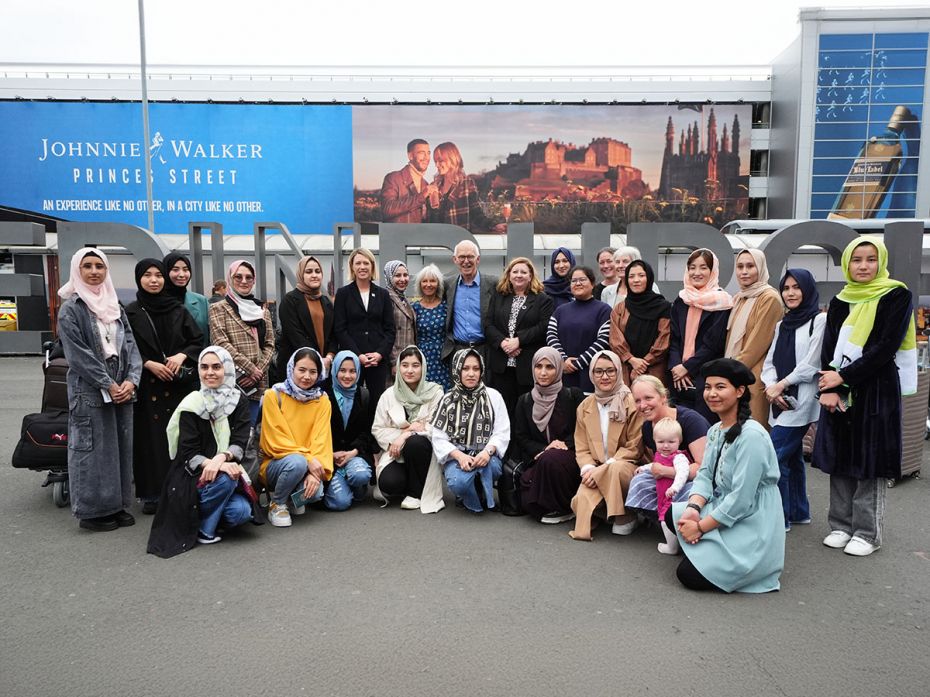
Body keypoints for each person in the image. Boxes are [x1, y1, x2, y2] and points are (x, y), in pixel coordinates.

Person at [813, 237, 916, 557]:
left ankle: (868, 532)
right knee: (840, 458)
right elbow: (828, 347)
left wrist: (843, 377)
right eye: (856, 259)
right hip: (839, 387)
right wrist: (831, 388)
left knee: (869, 461)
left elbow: (885, 347)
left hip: (876, 389)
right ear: (846, 263)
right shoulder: (841, 299)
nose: (863, 266)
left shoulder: (896, 295)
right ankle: (841, 525)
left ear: (881, 262)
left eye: (871, 259)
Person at [668, 358, 785, 593]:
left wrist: (699, 528)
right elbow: (704, 475)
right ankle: (705, 546)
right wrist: (693, 508)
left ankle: (719, 552)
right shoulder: (715, 430)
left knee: (687, 575)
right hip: (727, 504)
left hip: (753, 517)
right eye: (708, 387)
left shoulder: (752, 436)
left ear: (740, 391)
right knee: (674, 517)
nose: (712, 393)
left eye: (720, 387)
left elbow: (741, 500)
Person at [57, 248, 142, 533]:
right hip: (90, 390)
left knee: (119, 447)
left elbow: (130, 344)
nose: (94, 272)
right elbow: (78, 354)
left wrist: (132, 379)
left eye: (100, 266)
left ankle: (116, 505)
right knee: (92, 450)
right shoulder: (71, 308)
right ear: (77, 271)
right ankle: (92, 511)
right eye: (88, 266)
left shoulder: (114, 305)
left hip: (121, 385)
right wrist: (108, 383)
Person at [147, 346, 258, 556]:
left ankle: (202, 516)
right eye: (204, 367)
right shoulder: (192, 403)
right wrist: (216, 464)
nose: (210, 372)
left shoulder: (238, 400)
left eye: (217, 367)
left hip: (224, 469)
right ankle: (206, 530)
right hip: (191, 475)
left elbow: (240, 441)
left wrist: (222, 458)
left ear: (227, 369)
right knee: (227, 479)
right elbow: (188, 453)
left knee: (241, 512)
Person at [125, 258, 203, 514]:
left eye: (158, 275)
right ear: (139, 279)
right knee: (150, 440)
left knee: (180, 437)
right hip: (148, 386)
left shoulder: (177, 310)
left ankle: (180, 488)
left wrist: (182, 356)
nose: (154, 280)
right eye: (147, 275)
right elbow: (125, 346)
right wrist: (147, 363)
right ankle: (152, 494)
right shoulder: (132, 311)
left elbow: (197, 340)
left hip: (178, 384)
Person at [761, 269, 826, 531]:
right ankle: (798, 512)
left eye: (796, 287)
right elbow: (769, 361)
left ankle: (780, 517)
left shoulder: (819, 320)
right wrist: (770, 387)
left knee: (774, 457)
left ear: (807, 289)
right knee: (792, 457)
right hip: (779, 398)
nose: (790, 293)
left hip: (803, 400)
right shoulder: (782, 324)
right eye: (786, 288)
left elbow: (811, 364)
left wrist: (781, 385)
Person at [569, 350, 644, 540]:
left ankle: (626, 515)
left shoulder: (631, 402)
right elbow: (582, 446)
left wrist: (603, 470)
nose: (604, 377)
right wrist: (588, 469)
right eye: (598, 371)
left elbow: (634, 446)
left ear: (619, 371)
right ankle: (606, 511)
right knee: (580, 504)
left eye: (610, 371)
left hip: (626, 466)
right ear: (591, 375)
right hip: (596, 467)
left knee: (616, 470)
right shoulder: (585, 405)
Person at [625, 374, 709, 543]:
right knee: (640, 480)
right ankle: (664, 521)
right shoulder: (648, 427)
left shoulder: (691, 421)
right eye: (637, 400)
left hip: (698, 479)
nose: (643, 405)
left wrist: (667, 472)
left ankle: (685, 527)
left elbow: (704, 467)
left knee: (688, 491)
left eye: (648, 398)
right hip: (670, 478)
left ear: (663, 397)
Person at [258, 348, 334, 528]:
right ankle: (277, 504)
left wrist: (315, 474)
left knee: (316, 492)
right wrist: (308, 460)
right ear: (291, 368)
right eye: (302, 370)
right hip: (276, 464)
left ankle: (291, 500)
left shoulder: (322, 400)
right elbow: (275, 440)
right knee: (297, 463)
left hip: (306, 464)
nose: (307, 376)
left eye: (313, 371)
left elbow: (321, 439)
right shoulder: (273, 395)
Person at [431, 349, 511, 513]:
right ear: (457, 370)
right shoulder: (447, 399)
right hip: (458, 457)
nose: (471, 374)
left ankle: (478, 486)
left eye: (476, 369)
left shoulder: (493, 396)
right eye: (465, 368)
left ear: (482, 370)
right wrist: (460, 456)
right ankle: (467, 493)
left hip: (485, 455)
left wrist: (487, 452)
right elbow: (438, 438)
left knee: (494, 468)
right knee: (457, 482)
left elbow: (502, 431)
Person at [512, 347, 586, 523]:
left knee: (551, 459)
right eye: (538, 366)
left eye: (550, 367)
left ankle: (564, 507)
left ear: (559, 369)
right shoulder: (525, 400)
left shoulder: (573, 396)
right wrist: (544, 449)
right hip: (539, 456)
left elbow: (582, 431)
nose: (543, 373)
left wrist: (562, 444)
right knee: (528, 494)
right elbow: (521, 437)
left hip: (569, 455)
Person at [372, 346, 446, 512]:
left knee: (415, 442)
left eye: (415, 365)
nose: (409, 370)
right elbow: (378, 428)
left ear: (423, 367)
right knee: (389, 484)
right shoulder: (389, 395)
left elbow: (437, 427)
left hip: (423, 452)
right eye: (405, 365)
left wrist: (406, 435)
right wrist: (402, 434)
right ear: (398, 367)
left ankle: (416, 493)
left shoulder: (435, 393)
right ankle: (408, 483)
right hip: (396, 453)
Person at [668, 248, 733, 423]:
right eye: (692, 267)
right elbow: (673, 338)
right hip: (677, 378)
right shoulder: (681, 300)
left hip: (706, 377)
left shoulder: (722, 302)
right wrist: (676, 367)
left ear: (712, 271)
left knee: (702, 426)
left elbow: (714, 344)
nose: (697, 273)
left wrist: (687, 367)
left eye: (703, 268)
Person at [208, 260, 275, 424]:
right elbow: (221, 343)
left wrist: (257, 372)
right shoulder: (218, 308)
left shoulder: (262, 311)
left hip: (258, 383)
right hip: (232, 381)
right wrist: (250, 369)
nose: (244, 281)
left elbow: (269, 344)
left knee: (254, 434)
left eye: (249, 277)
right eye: (238, 277)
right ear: (230, 279)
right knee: (230, 432)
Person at [484, 256, 554, 414]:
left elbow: (544, 326)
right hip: (501, 364)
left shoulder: (542, 300)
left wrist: (519, 341)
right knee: (502, 409)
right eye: (515, 271)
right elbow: (488, 325)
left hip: (526, 364)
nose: (519, 275)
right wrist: (504, 344)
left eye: (524, 272)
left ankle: (522, 439)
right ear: (509, 275)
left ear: (530, 276)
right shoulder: (499, 296)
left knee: (525, 409)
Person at [724, 249, 784, 428]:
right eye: (740, 266)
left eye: (750, 266)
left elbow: (757, 344)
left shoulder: (769, 298)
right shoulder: (740, 298)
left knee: (754, 431)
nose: (744, 271)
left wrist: (730, 371)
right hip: (736, 376)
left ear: (761, 268)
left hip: (754, 376)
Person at [333, 247, 395, 407]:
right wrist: (357, 355)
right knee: (352, 401)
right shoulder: (343, 294)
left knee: (377, 402)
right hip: (352, 361)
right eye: (358, 263)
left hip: (377, 361)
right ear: (352, 267)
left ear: (372, 266)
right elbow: (340, 329)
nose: (362, 267)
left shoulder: (383, 294)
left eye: (366, 263)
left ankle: (374, 432)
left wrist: (380, 354)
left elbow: (390, 330)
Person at [546, 265, 612, 393]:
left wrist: (579, 362)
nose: (578, 283)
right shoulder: (560, 311)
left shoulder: (604, 310)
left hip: (591, 374)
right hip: (564, 374)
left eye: (582, 279)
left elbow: (604, 340)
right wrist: (563, 359)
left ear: (592, 283)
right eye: (574, 281)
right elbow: (551, 336)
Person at [325, 350, 377, 510]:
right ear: (334, 370)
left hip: (354, 454)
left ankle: (355, 485)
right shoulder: (323, 394)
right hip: (328, 456)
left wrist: (353, 452)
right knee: (341, 503)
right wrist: (330, 454)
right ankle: (343, 485)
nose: (347, 376)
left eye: (352, 371)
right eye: (342, 370)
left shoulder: (364, 395)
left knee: (360, 475)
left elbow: (368, 432)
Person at [608, 259, 671, 387]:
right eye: (631, 276)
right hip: (626, 367)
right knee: (627, 404)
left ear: (649, 278)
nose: (636, 280)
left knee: (651, 402)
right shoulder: (620, 308)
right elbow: (615, 338)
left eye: (641, 275)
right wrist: (631, 359)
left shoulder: (664, 307)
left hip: (654, 369)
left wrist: (643, 363)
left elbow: (664, 338)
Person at [275, 255, 336, 383]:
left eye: (317, 271)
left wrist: (329, 357)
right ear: (301, 274)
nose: (314, 275)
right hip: (297, 370)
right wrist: (317, 359)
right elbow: (295, 335)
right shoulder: (290, 300)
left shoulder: (326, 302)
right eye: (308, 272)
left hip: (323, 368)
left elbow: (333, 335)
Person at [634, 417, 690, 554]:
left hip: (673, 495)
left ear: (679, 441)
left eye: (671, 442)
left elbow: (683, 473)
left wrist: (675, 487)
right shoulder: (660, 454)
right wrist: (644, 468)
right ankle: (677, 542)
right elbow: (655, 465)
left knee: (666, 519)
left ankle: (672, 547)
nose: (666, 446)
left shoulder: (679, 457)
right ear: (655, 441)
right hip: (662, 494)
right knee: (663, 517)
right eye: (661, 442)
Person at [427, 142, 506, 233]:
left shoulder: (466, 183)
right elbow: (429, 219)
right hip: (437, 239)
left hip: (459, 239)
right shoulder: (434, 186)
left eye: (440, 160)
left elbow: (476, 214)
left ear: (452, 159)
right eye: (435, 161)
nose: (436, 165)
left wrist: (494, 225)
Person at [442, 240, 498, 365]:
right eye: (462, 257)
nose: (466, 261)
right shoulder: (447, 284)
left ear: (478, 259)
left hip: (485, 350)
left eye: (470, 257)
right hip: (457, 350)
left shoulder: (494, 283)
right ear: (455, 260)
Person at [411, 264, 450, 390]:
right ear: (420, 284)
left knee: (443, 392)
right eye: (425, 281)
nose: (428, 284)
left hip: (443, 357)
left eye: (432, 281)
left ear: (438, 283)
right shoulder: (414, 308)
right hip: (422, 357)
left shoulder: (446, 306)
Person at [380, 138, 436, 223]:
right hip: (398, 235)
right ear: (410, 156)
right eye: (422, 153)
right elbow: (387, 209)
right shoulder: (393, 178)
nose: (427, 157)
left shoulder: (425, 184)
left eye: (428, 153)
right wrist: (421, 196)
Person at [163, 252, 211, 342]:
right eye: (175, 269)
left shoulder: (202, 301)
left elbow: (211, 336)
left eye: (185, 269)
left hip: (200, 355)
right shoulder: (156, 302)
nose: (181, 274)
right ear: (165, 271)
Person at [383, 260, 417, 376]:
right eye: (397, 275)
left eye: (405, 275)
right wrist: (394, 362)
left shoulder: (404, 299)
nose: (402, 279)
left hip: (408, 359)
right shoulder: (386, 298)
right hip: (395, 362)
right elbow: (386, 333)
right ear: (389, 277)